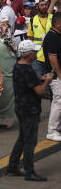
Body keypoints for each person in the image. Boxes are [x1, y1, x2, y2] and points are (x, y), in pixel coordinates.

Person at [6, 40, 54, 181]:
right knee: (30, 142)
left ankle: (13, 165)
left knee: (22, 138)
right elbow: (39, 91)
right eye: (34, 52)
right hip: (30, 110)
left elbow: (27, 81)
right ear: (30, 54)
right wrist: (47, 81)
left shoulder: (18, 66)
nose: (36, 54)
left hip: (20, 108)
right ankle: (29, 172)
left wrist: (39, 78)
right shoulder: (28, 69)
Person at [43, 13, 61, 142]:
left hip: (57, 75)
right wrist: (60, 76)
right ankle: (52, 131)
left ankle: (57, 128)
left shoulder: (57, 36)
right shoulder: (52, 37)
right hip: (56, 76)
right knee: (58, 102)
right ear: (57, 24)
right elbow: (52, 58)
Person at [27, 0, 53, 80]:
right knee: (39, 82)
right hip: (37, 57)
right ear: (37, 6)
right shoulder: (32, 20)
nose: (44, 7)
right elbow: (30, 38)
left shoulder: (53, 18)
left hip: (51, 56)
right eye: (42, 5)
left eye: (45, 4)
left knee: (53, 83)